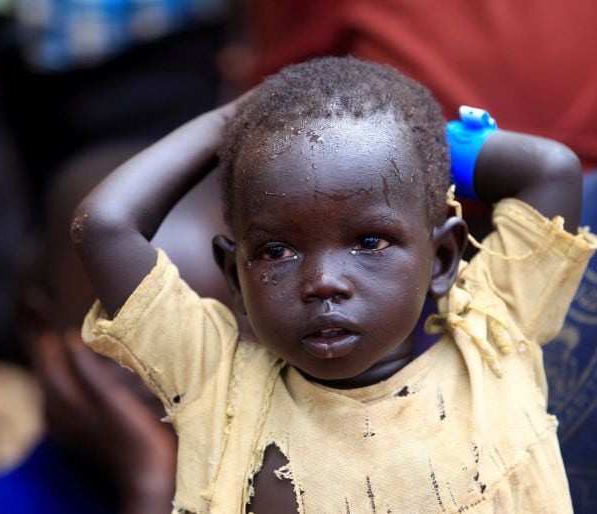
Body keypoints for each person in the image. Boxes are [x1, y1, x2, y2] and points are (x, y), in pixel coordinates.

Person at [71, 57, 594, 513]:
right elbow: (103, 225)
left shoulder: (493, 337)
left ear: (441, 258)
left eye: (369, 241)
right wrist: (234, 121)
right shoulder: (216, 383)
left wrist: (416, 146)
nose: (322, 282)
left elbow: (552, 169)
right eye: (276, 251)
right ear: (235, 275)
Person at [0, 142, 231, 514]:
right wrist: (152, 482)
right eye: (121, 341)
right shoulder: (7, 504)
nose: (163, 381)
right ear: (40, 330)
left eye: (198, 342)